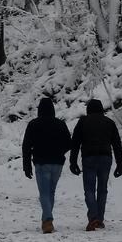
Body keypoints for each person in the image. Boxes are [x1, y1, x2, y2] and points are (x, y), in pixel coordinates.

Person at [68, 98, 122, 231]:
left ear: (88, 110)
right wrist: (120, 163)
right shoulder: (109, 122)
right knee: (102, 189)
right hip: (105, 158)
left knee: (89, 189)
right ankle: (99, 218)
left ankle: (93, 217)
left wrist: (73, 162)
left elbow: (75, 143)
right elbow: (116, 144)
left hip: (89, 158)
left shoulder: (83, 122)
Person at [22, 96, 72, 233]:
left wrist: (26, 165)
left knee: (44, 192)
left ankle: (48, 220)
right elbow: (69, 143)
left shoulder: (33, 124)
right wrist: (59, 151)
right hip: (57, 163)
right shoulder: (60, 124)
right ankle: (46, 221)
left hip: (41, 162)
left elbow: (26, 146)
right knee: (51, 192)